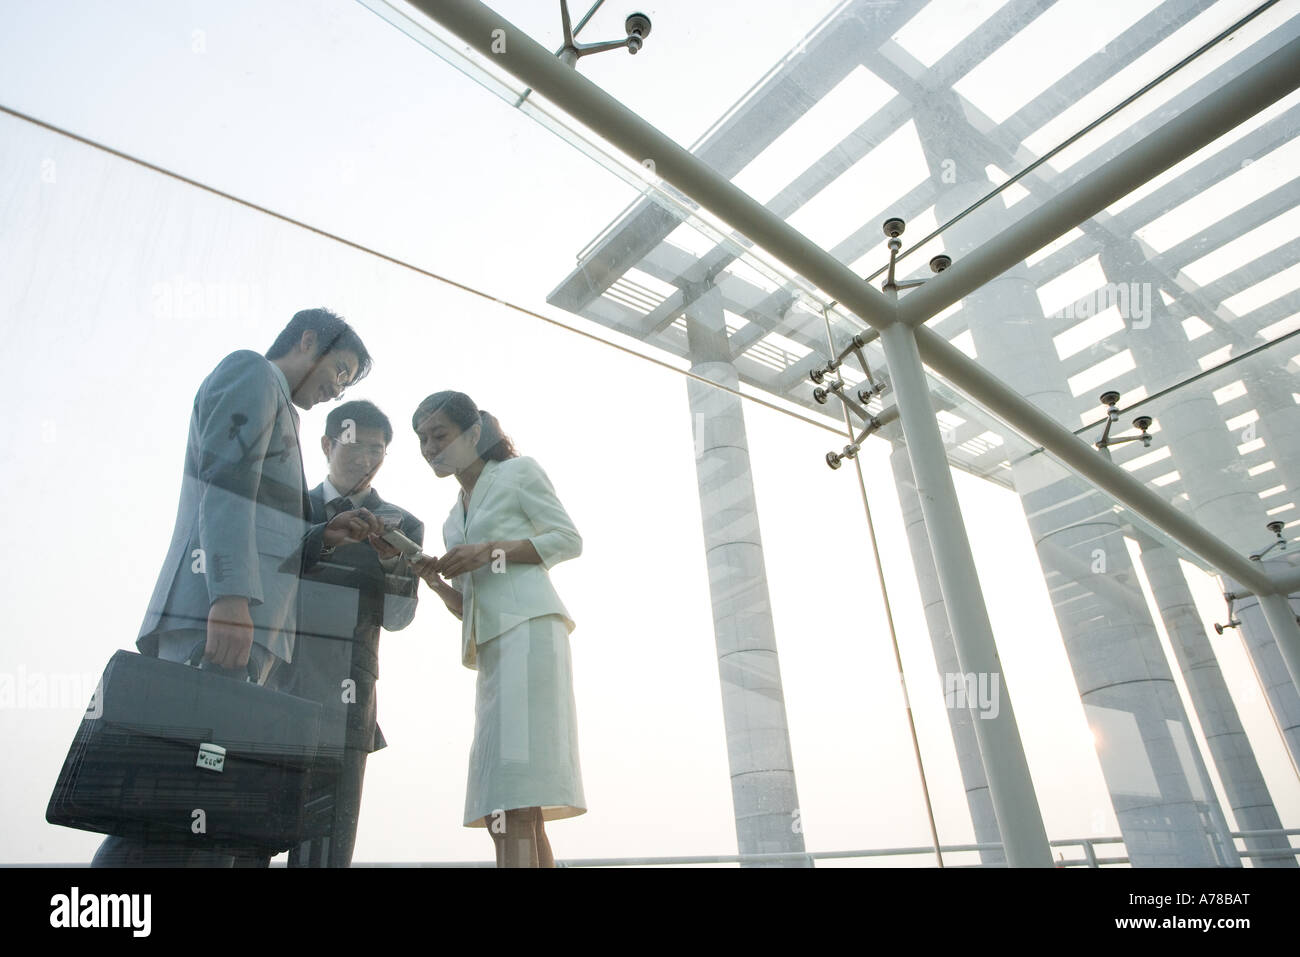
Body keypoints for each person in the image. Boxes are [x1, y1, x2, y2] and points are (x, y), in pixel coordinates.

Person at [91, 308, 387, 867]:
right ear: (307, 341)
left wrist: (322, 537)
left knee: (204, 811)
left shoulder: (282, 408)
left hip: (246, 629)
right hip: (219, 620)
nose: (337, 388)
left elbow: (266, 525)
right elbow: (225, 486)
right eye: (341, 369)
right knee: (170, 803)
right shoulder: (252, 374)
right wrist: (228, 599)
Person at [410, 392, 585, 868]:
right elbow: (470, 604)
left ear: (473, 434)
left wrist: (489, 550)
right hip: (492, 652)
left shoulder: (517, 473)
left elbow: (568, 539)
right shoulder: (452, 519)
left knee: (510, 801)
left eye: (439, 435)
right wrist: (436, 582)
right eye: (422, 439)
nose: (429, 447)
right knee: (510, 805)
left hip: (529, 635)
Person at [282, 399, 424, 867]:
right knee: (244, 839)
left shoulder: (404, 524)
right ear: (326, 444)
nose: (366, 457)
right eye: (354, 445)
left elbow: (400, 618)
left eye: (377, 449)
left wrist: (391, 563)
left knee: (326, 853)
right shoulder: (287, 505)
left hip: (347, 695)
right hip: (272, 683)